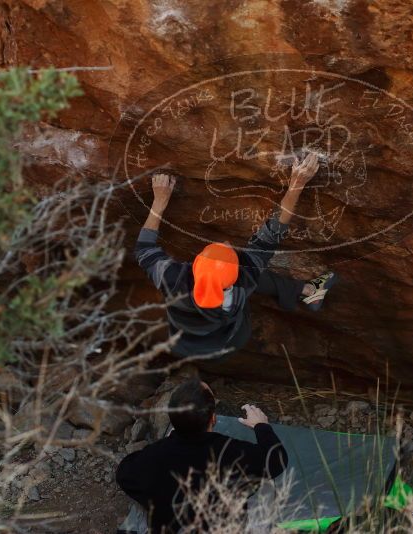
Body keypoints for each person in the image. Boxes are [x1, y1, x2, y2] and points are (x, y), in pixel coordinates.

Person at [135, 152, 339, 357]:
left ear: (195, 267)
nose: (226, 242)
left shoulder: (172, 279)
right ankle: (307, 290)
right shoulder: (244, 279)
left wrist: (159, 201)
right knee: (256, 272)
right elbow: (273, 232)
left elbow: (144, 249)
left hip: (185, 343)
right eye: (228, 251)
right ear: (233, 280)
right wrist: (297, 184)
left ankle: (307, 292)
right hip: (231, 339)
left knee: (253, 272)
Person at [115, 378, 288, 533]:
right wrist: (261, 426)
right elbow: (277, 459)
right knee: (266, 484)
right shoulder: (231, 452)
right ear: (213, 418)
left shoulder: (154, 456)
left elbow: (123, 473)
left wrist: (164, 446)